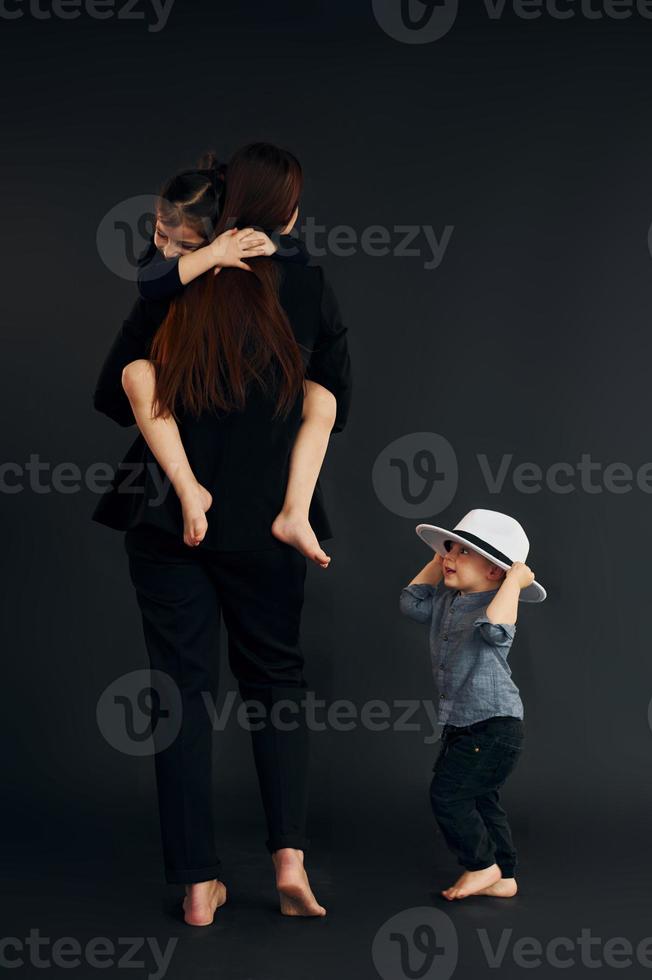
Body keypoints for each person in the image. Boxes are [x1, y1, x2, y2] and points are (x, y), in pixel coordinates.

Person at [91, 142, 352, 924]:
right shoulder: (307, 284)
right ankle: (289, 861)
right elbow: (332, 394)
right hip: (273, 523)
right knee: (277, 686)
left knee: (182, 695)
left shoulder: (175, 283)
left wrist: (177, 273)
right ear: (289, 215)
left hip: (172, 519)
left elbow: (115, 392)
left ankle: (198, 883)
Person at [118, 158, 338, 565]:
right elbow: (150, 281)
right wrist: (209, 255)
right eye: (160, 234)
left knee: (324, 399)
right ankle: (189, 488)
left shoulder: (273, 261)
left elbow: (297, 251)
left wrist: (273, 246)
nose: (166, 249)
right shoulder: (177, 267)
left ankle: (295, 512)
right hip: (200, 449)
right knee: (136, 373)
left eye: (184, 245)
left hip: (250, 469)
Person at [399, 509, 546, 901]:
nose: (449, 556)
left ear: (495, 571)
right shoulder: (447, 603)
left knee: (448, 795)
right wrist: (437, 560)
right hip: (464, 724)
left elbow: (497, 631)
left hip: (495, 725)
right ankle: (504, 874)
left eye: (462, 552)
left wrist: (515, 581)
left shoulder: (495, 608)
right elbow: (412, 603)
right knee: (481, 798)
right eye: (449, 548)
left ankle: (481, 865)